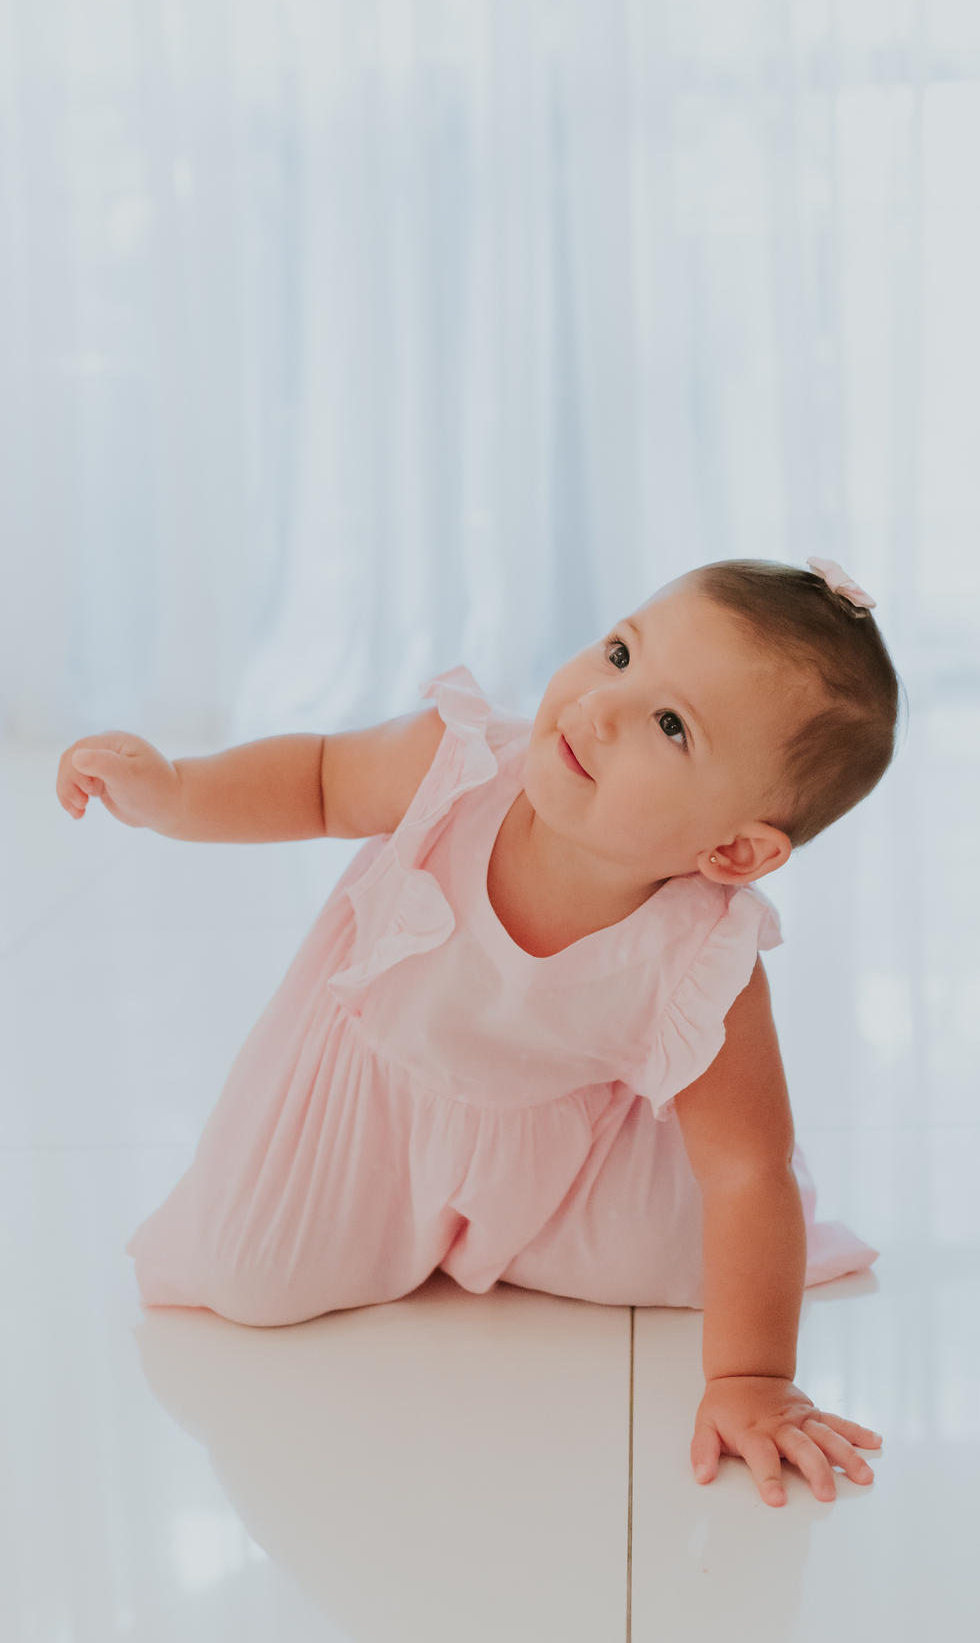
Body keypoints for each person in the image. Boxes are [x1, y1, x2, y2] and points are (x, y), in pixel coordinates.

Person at [57, 556, 897, 1507]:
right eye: (620, 653)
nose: (601, 707)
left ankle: (504, 1228)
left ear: (736, 850)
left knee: (676, 1258)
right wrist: (177, 793)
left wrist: (750, 1377)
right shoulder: (455, 769)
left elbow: (748, 1166)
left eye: (672, 727)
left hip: (569, 1136)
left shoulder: (704, 956)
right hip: (375, 1087)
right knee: (251, 1282)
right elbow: (322, 781)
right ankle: (417, 1216)